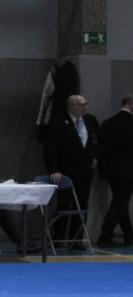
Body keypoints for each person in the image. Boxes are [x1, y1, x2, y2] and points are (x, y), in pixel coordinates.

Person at [43, 94, 99, 246]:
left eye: (86, 104)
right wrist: (53, 168)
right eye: (81, 105)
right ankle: (59, 238)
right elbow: (50, 147)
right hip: (65, 170)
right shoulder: (59, 121)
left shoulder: (90, 120)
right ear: (71, 106)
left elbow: (100, 139)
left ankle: (77, 239)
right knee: (64, 204)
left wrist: (96, 156)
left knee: (82, 204)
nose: (85, 107)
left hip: (85, 170)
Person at [96, 95, 133, 246]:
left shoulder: (108, 123)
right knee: (119, 202)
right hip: (128, 169)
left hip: (110, 169)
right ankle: (105, 235)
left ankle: (129, 235)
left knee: (120, 201)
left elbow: (102, 145)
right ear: (131, 104)